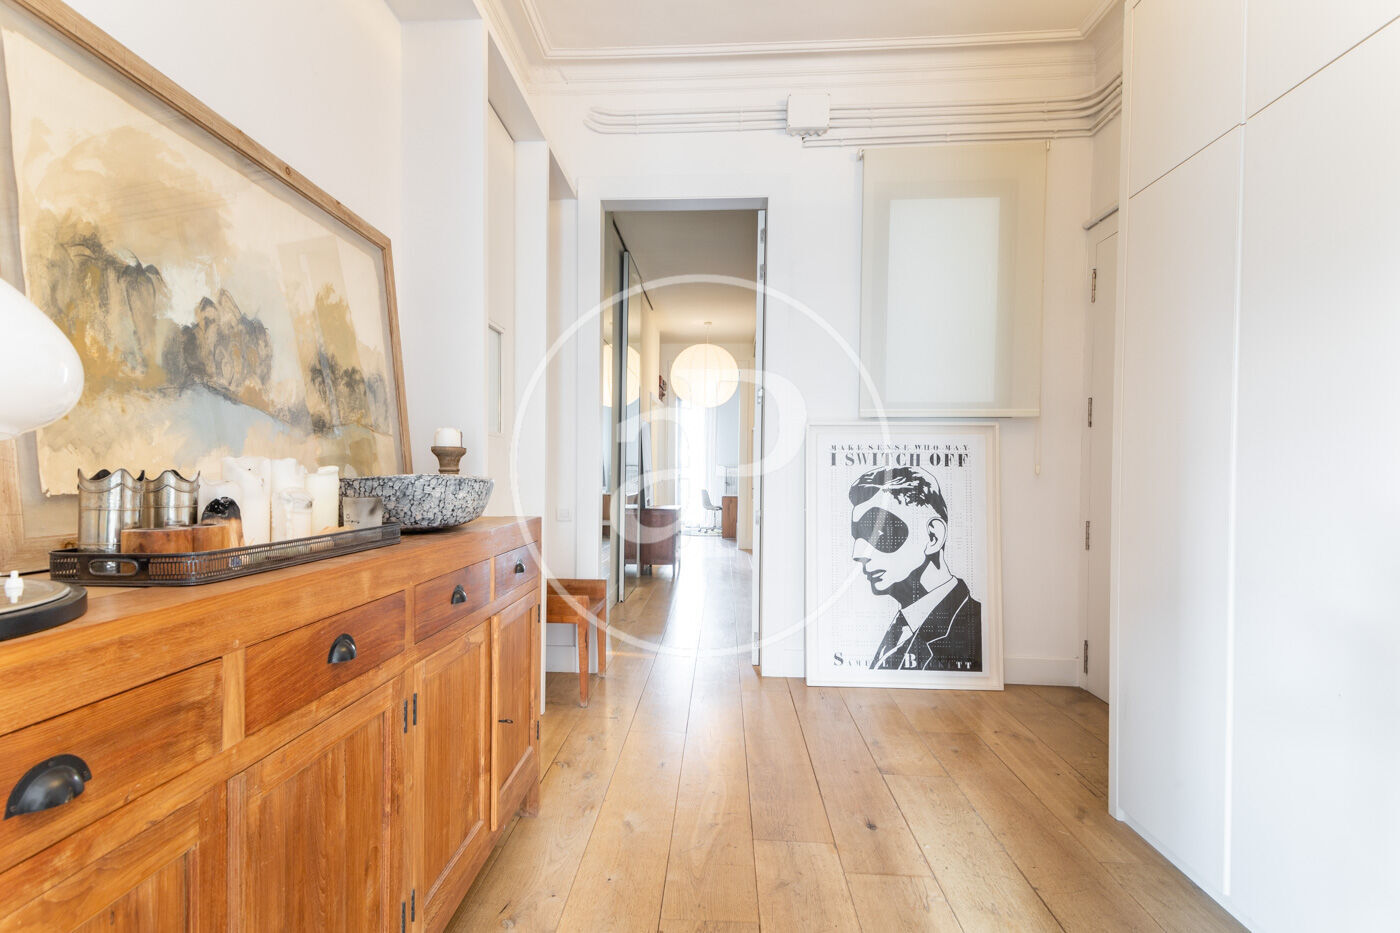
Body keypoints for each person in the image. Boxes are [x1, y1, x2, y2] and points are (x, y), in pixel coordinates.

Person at [848, 466, 981, 671]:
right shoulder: (901, 626)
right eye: (857, 536)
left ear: (933, 536)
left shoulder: (973, 627)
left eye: (879, 532)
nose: (858, 553)